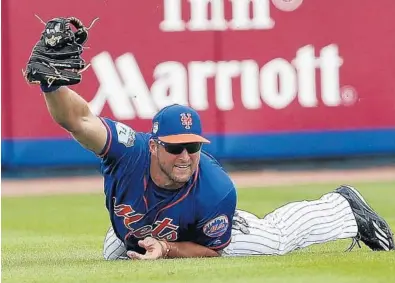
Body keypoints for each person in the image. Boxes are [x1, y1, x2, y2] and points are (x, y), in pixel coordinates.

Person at [25, 17, 394, 261]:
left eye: (194, 146)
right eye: (175, 146)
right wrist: (51, 85)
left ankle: (342, 208)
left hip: (202, 228)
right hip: (150, 222)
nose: (185, 155)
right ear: (153, 145)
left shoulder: (216, 187)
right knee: (117, 252)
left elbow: (211, 251)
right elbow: (78, 119)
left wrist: (167, 249)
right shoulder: (128, 150)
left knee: (274, 241)